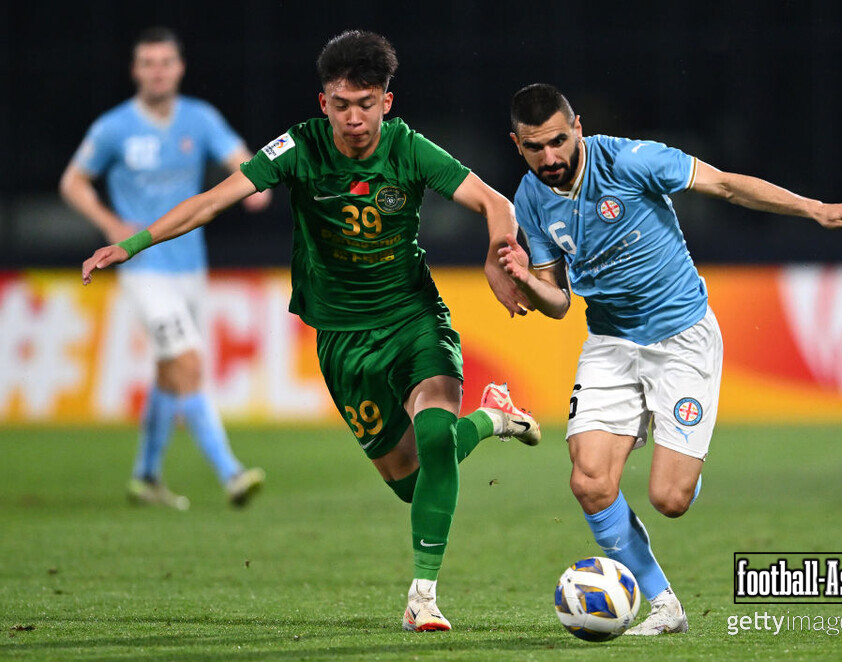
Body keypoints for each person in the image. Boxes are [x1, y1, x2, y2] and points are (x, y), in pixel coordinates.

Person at [81, 30, 540, 632]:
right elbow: (214, 200)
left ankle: (422, 597)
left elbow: (494, 202)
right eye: (342, 104)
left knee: (433, 437)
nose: (355, 118)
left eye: (367, 103)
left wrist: (497, 252)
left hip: (413, 318)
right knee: (411, 485)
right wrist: (134, 243)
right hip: (342, 340)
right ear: (323, 103)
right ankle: (492, 418)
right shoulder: (295, 149)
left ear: (386, 103)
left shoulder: (409, 149)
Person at [499, 83, 842, 636]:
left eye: (559, 141)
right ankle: (664, 606)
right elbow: (556, 300)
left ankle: (681, 448)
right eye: (536, 148)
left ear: (577, 126)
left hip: (681, 338)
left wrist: (814, 209)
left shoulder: (633, 160)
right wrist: (525, 281)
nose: (551, 158)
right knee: (589, 483)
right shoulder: (531, 199)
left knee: (670, 499)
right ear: (517, 145)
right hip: (610, 342)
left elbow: (726, 185)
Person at [61, 27, 271, 510]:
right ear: (136, 71)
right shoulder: (114, 127)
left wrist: (258, 180)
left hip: (190, 269)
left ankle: (146, 476)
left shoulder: (199, 119)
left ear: (179, 68)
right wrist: (110, 223)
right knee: (190, 364)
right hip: (145, 272)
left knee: (169, 372)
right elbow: (73, 183)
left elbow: (242, 162)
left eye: (165, 62)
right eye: (148, 63)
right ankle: (231, 473)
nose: (157, 71)